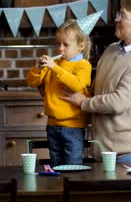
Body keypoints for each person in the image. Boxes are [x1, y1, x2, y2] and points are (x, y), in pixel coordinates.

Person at [61, 0, 131, 163]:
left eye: (123, 15)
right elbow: (96, 89)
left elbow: (118, 102)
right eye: (118, 13)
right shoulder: (112, 49)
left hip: (130, 154)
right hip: (101, 151)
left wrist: (84, 102)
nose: (116, 19)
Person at [26, 13, 100, 166]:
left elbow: (76, 85)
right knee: (56, 164)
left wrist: (55, 69)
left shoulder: (83, 65)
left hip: (73, 126)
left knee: (73, 165)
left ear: (81, 46)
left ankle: (71, 189)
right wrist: (37, 69)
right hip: (52, 124)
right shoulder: (54, 63)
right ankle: (58, 188)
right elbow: (32, 82)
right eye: (58, 43)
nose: (60, 48)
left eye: (66, 45)